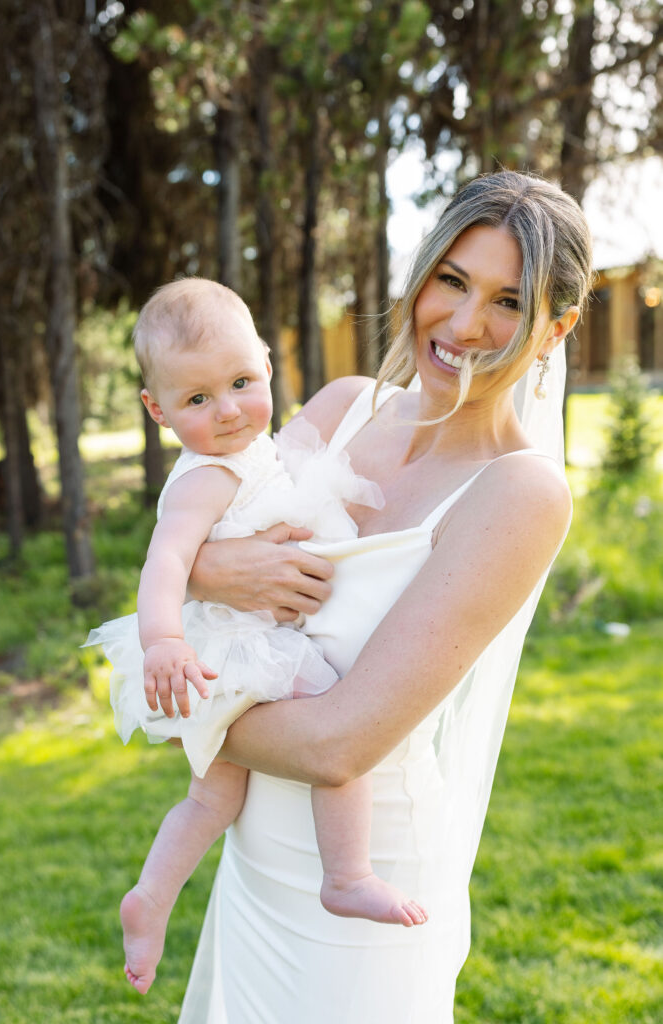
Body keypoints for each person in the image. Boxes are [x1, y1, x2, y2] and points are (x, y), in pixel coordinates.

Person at [172, 170, 594, 1023]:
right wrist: (208, 572)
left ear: (557, 326)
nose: (466, 325)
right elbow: (198, 542)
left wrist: (183, 709)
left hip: (367, 881)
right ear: (423, 273)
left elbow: (339, 746)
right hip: (258, 854)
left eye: (509, 302)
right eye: (453, 281)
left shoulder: (520, 493)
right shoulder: (342, 410)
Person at [86, 279, 427, 995]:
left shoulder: (260, 447)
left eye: (241, 382)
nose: (230, 410)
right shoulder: (204, 476)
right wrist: (163, 645)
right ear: (158, 410)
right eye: (198, 400)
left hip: (244, 642)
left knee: (211, 801)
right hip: (243, 648)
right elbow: (166, 563)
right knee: (343, 716)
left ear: (267, 365)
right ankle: (348, 874)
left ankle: (150, 898)